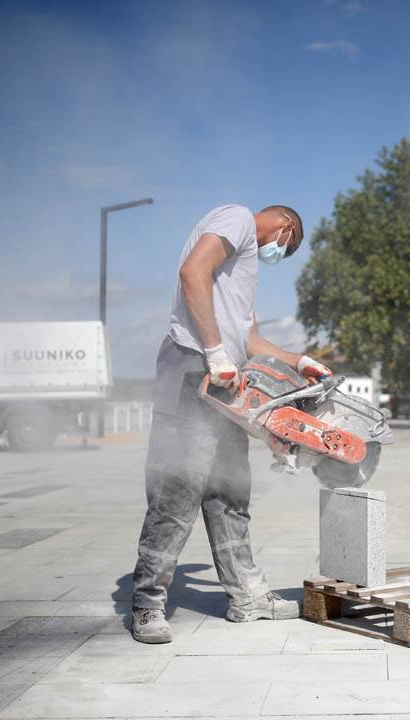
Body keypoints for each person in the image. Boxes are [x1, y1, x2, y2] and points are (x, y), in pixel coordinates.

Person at [131, 204, 332, 644]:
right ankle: (147, 605)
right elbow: (191, 273)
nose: (277, 252)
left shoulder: (241, 275)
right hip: (192, 369)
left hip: (226, 383)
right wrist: (215, 353)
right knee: (177, 491)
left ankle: (247, 597)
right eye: (286, 246)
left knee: (229, 492)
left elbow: (251, 340)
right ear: (286, 226)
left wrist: (299, 362)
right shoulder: (238, 219)